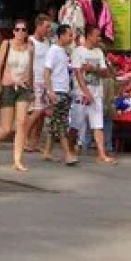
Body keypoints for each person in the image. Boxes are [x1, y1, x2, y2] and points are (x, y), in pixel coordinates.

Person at [0, 20, 35, 171]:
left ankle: (17, 160)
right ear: (13, 31)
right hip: (8, 87)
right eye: (17, 30)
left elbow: (31, 69)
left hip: (23, 88)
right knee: (6, 128)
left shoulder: (30, 48)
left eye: (23, 30)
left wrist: (31, 88)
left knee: (22, 122)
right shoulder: (6, 44)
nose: (20, 33)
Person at [72, 25, 115, 164]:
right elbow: (78, 73)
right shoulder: (78, 52)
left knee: (98, 124)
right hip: (81, 94)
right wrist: (85, 92)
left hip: (97, 92)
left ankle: (102, 154)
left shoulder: (99, 52)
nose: (99, 38)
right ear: (89, 36)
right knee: (76, 124)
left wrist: (93, 69)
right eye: (97, 35)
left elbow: (105, 72)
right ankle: (71, 148)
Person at [43, 23, 79, 165]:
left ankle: (47, 151)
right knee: (62, 124)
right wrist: (50, 91)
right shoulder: (53, 51)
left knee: (55, 123)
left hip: (64, 90)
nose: (71, 38)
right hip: (57, 91)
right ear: (62, 35)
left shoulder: (63, 51)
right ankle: (68, 154)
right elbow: (47, 71)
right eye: (69, 35)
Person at [22, 14, 54, 153]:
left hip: (45, 81)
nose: (48, 30)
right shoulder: (30, 41)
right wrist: (29, 81)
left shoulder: (47, 42)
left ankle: (34, 141)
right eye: (46, 27)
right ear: (38, 26)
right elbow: (27, 62)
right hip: (35, 80)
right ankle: (23, 138)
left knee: (41, 114)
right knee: (37, 110)